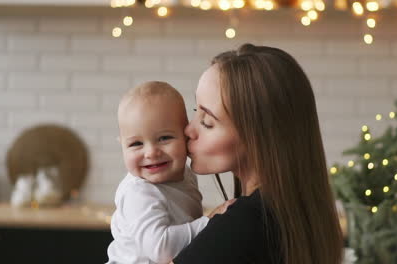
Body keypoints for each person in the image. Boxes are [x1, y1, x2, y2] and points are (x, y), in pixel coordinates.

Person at [172, 44, 344, 264]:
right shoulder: (302, 218)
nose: (188, 130)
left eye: (207, 122)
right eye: (196, 112)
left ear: (259, 136)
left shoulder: (243, 223)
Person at [106, 81, 210, 264]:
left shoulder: (186, 175)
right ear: (122, 145)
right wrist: (210, 221)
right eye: (136, 144)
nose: (151, 153)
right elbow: (161, 249)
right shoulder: (139, 192)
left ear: (186, 135)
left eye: (164, 138)